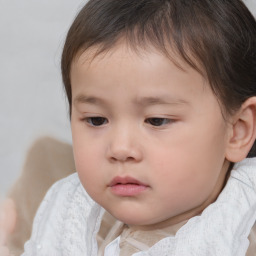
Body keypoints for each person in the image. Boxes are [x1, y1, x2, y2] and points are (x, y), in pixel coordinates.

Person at [2, 0, 256, 255]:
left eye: (156, 120)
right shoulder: (69, 212)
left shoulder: (236, 234)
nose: (120, 149)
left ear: (237, 131)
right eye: (96, 120)